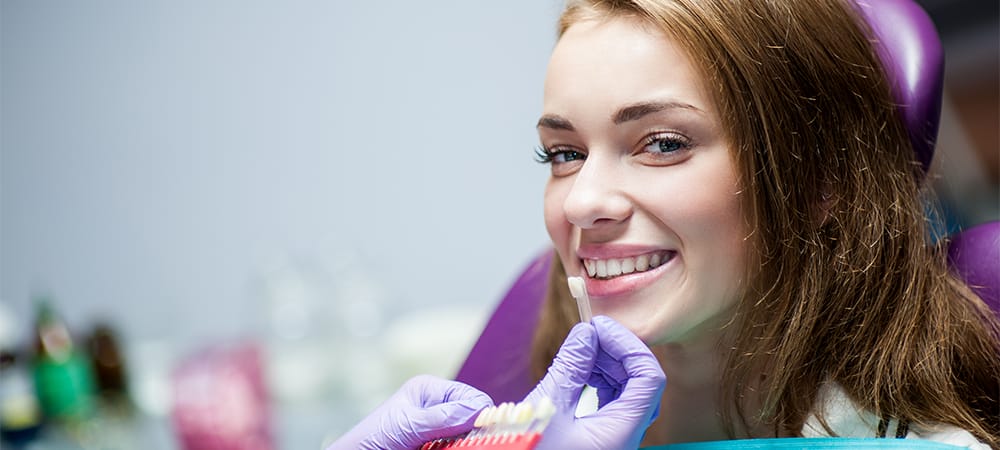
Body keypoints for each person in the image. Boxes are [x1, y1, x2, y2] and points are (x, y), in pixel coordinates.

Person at [329, 0, 1000, 448]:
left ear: (820, 181)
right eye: (564, 154)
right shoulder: (532, 386)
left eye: (663, 143)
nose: (582, 202)